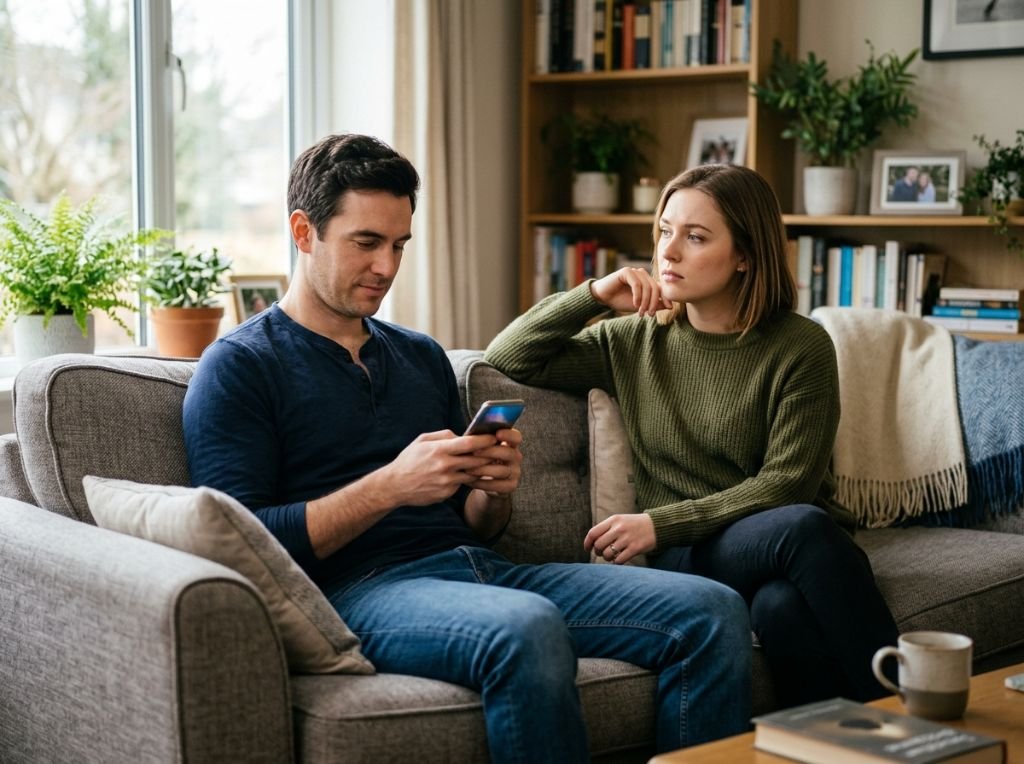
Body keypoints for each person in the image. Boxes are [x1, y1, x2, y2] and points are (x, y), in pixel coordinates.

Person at [182, 133, 753, 763]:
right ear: (303, 231)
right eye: (366, 242)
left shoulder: (418, 355)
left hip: (478, 570)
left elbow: (474, 525)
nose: (386, 267)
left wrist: (492, 491)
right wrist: (389, 487)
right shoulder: (240, 366)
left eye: (399, 244)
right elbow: (243, 543)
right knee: (525, 628)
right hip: (355, 591)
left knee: (712, 610)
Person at [484, 164, 900, 709]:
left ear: (745, 254)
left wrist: (658, 523)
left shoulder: (801, 346)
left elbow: (787, 484)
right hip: (690, 555)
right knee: (806, 530)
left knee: (779, 606)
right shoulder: (632, 340)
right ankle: (912, 713)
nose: (669, 252)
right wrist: (595, 294)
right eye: (665, 231)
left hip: (764, 540)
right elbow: (507, 356)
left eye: (696, 237)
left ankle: (835, 739)